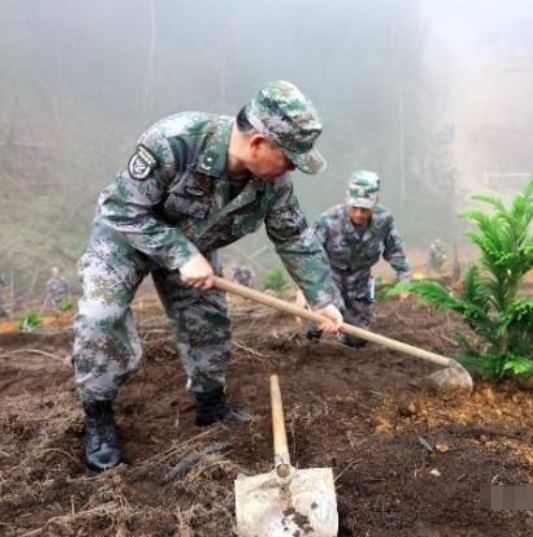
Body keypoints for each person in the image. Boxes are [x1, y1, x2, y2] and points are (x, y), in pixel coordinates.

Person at [73, 81, 343, 472]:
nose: (291, 168)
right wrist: (179, 253)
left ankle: (210, 402)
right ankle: (97, 415)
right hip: (126, 237)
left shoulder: (274, 184)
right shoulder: (175, 141)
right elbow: (122, 210)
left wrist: (320, 296)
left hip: (194, 250)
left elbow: (294, 235)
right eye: (289, 158)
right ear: (258, 144)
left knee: (209, 322)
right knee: (101, 317)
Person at [297, 171, 411, 348]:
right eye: (354, 207)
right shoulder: (327, 220)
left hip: (360, 281)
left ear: (376, 202)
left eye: (364, 209)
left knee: (357, 338)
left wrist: (404, 279)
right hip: (329, 276)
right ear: (346, 198)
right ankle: (313, 335)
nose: (358, 214)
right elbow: (306, 253)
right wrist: (303, 288)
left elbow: (395, 252)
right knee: (333, 309)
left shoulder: (384, 220)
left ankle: (344, 343)